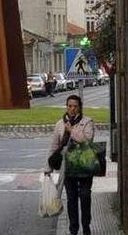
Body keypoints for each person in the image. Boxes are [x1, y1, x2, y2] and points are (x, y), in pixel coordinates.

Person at [45, 95, 95, 235]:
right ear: (66, 106)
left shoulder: (87, 122)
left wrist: (71, 131)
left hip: (84, 165)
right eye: (69, 106)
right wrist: (48, 168)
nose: (72, 109)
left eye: (75, 106)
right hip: (68, 168)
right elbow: (54, 146)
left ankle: (86, 226)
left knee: (85, 196)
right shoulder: (60, 124)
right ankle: (73, 229)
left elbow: (86, 140)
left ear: (80, 107)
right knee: (71, 199)